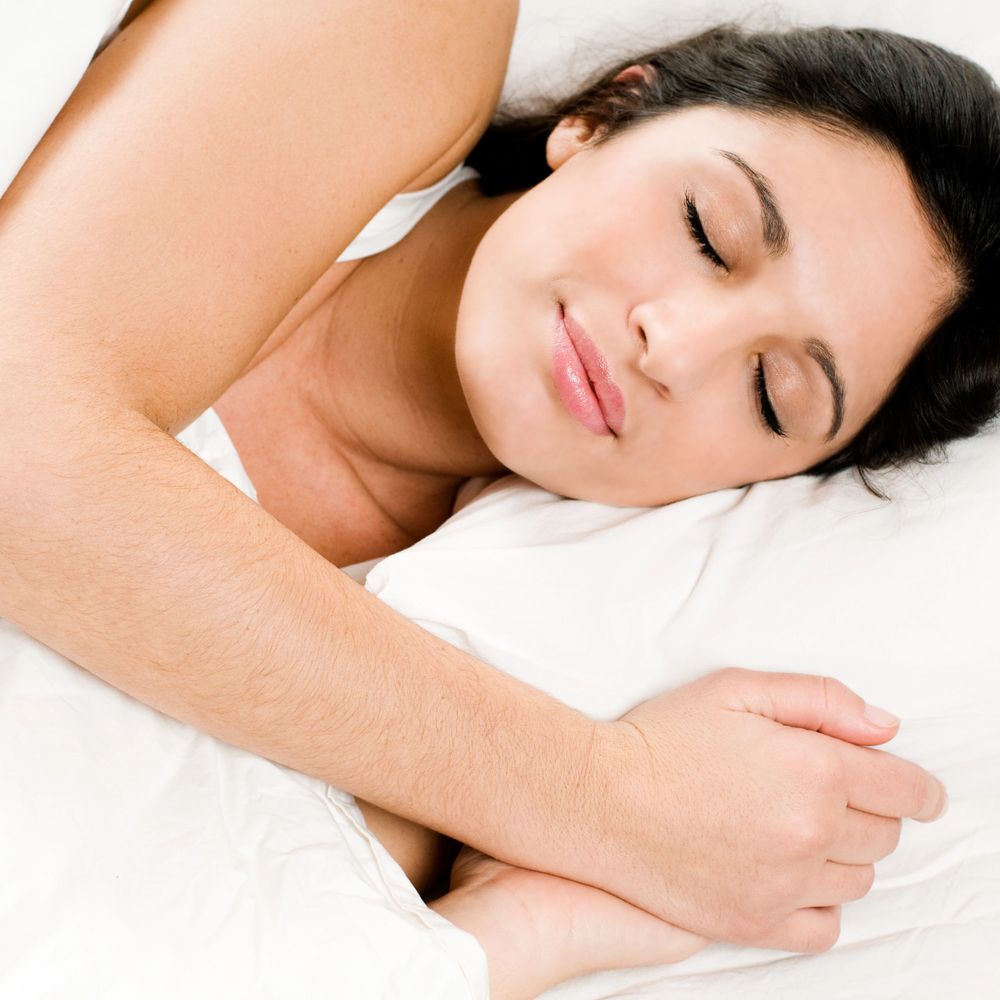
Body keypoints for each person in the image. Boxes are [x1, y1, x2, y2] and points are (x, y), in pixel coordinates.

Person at [2, 2, 998, 994]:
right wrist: (612, 799)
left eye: (771, 394)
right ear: (606, 113)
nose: (674, 345)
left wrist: (502, 936)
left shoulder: (454, 685)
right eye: (707, 231)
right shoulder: (404, 29)